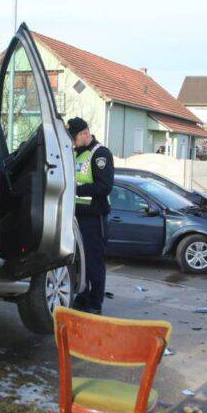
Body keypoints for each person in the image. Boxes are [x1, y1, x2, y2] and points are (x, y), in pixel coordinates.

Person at [66, 117, 114, 314]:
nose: (73, 143)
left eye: (74, 138)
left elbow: (104, 187)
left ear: (84, 134)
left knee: (94, 261)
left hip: (94, 218)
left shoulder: (100, 154)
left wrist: (77, 188)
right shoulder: (76, 153)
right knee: (80, 260)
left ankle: (95, 302)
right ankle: (83, 296)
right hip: (76, 216)